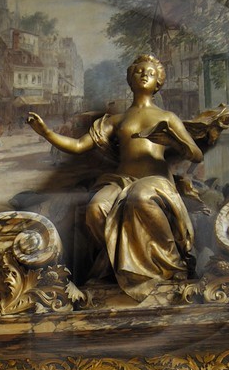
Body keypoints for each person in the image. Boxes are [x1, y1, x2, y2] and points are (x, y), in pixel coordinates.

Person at [26, 54, 205, 301]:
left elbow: (195, 154)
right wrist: (46, 132)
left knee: (141, 198)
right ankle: (115, 264)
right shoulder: (116, 120)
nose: (144, 75)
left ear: (158, 83)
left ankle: (171, 264)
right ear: (131, 79)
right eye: (139, 71)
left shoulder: (167, 117)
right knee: (96, 207)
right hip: (121, 180)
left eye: (151, 73)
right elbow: (79, 145)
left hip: (156, 181)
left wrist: (175, 140)